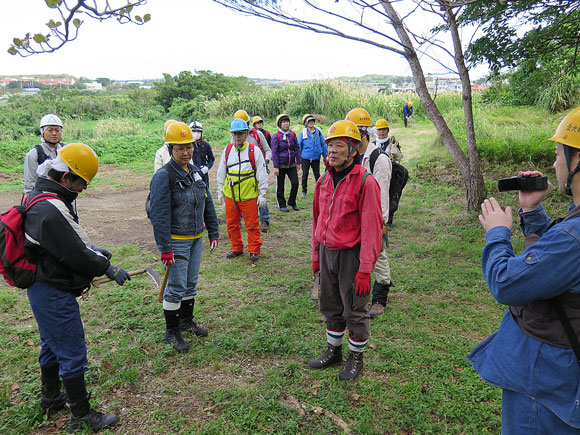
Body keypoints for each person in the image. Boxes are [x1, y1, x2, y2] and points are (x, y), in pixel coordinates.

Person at [468, 107, 580, 433]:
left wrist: (497, 232)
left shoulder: (574, 238)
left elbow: (505, 284)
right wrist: (531, 210)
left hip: (545, 383)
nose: (555, 164)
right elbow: (553, 267)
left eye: (560, 154)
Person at [24, 143, 131, 432]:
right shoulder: (51, 208)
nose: (82, 189)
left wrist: (95, 250)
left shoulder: (42, 192)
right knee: (71, 350)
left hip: (41, 284)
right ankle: (82, 414)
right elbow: (75, 252)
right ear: (66, 176)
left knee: (50, 343)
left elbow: (68, 241)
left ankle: (51, 396)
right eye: (81, 182)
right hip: (53, 289)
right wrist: (107, 267)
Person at [309, 120, 382, 381]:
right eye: (330, 145)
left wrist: (364, 271)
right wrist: (316, 258)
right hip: (328, 253)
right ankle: (334, 350)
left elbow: (373, 230)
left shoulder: (365, 182)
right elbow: (317, 220)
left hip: (352, 257)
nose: (332, 150)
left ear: (353, 150)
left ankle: (356, 357)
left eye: (339, 145)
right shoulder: (323, 182)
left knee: (355, 310)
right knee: (330, 306)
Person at [149, 122, 219, 354]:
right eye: (180, 148)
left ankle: (186, 322)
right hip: (176, 240)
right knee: (176, 286)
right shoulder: (163, 176)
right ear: (171, 149)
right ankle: (172, 332)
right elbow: (159, 215)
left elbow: (206, 201)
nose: (186, 152)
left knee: (190, 283)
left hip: (196, 237)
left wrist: (213, 231)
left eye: (188, 146)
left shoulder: (196, 171)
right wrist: (165, 248)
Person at [346, 108, 393, 318]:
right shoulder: (353, 155)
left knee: (379, 255)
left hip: (375, 217)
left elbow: (383, 194)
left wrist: (381, 223)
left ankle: (380, 299)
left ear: (364, 132)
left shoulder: (378, 159)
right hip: (355, 216)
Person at [216, 118, 268, 264]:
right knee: (232, 223)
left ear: (246, 134)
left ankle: (254, 250)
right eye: (234, 134)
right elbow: (221, 172)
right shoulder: (227, 150)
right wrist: (220, 191)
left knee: (252, 224)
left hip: (249, 195)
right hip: (230, 194)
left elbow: (262, 173)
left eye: (240, 133)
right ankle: (236, 247)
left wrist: (262, 193)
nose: (237, 137)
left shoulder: (254, 150)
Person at [234, 110, 272, 233]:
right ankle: (239, 220)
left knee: (261, 194)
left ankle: (264, 220)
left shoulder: (257, 134)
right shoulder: (234, 137)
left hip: (258, 169)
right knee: (239, 194)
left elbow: (267, 150)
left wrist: (265, 161)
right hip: (243, 172)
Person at [373, 118, 405, 230]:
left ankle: (389, 221)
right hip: (376, 175)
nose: (381, 132)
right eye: (379, 130)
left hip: (391, 175)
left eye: (384, 130)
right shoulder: (372, 144)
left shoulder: (393, 143)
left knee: (390, 196)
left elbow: (399, 156)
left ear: (387, 130)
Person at [23, 114, 65, 196]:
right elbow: (30, 184)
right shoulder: (34, 154)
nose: (54, 133)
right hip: (44, 198)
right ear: (42, 132)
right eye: (50, 130)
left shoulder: (66, 151)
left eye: (57, 130)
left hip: (65, 197)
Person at [271, 113, 301, 212]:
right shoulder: (276, 136)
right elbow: (274, 152)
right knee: (280, 186)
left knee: (295, 183)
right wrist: (276, 167)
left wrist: (298, 161)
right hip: (280, 165)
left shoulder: (292, 135)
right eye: (284, 122)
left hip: (291, 164)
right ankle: (282, 204)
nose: (286, 124)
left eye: (287, 122)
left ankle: (292, 201)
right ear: (280, 124)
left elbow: (297, 148)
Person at [298, 114, 327, 198]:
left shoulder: (318, 131)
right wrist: (298, 158)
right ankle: (304, 190)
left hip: (316, 157)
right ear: (306, 123)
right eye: (309, 121)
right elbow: (299, 145)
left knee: (317, 174)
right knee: (305, 174)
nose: (311, 123)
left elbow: (323, 143)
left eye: (312, 121)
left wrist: (325, 155)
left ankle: (320, 190)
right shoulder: (302, 133)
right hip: (305, 157)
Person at [189, 120, 215, 187]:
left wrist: (207, 167)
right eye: (194, 131)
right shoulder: (187, 146)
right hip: (191, 175)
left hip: (203, 174)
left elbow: (211, 159)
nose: (196, 133)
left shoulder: (205, 145)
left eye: (198, 131)